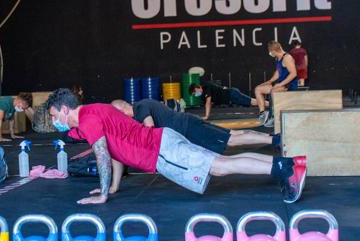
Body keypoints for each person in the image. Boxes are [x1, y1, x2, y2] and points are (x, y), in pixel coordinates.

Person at [46, 88, 306, 205]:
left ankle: (285, 168)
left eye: (54, 116)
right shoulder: (96, 110)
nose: (55, 121)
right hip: (164, 141)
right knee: (221, 163)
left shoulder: (88, 120)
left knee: (221, 167)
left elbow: (102, 156)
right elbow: (114, 153)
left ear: (64, 109)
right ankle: (288, 164)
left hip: (163, 151)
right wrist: (112, 187)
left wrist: (102, 194)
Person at [111, 99, 280, 154]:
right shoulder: (144, 102)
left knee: (231, 140)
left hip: (188, 127)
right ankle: (273, 138)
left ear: (122, 110)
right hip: (188, 123)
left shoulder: (139, 109)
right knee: (232, 134)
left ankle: (275, 140)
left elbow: (150, 129)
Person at [255, 41, 298, 124]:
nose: (269, 53)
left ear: (274, 51)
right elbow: (278, 72)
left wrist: (280, 84)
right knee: (258, 89)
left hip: (289, 85)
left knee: (273, 91)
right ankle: (262, 114)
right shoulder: (278, 58)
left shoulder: (287, 58)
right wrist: (269, 81)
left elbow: (293, 74)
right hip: (281, 84)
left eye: (270, 51)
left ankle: (273, 116)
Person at [189, 82, 257, 120]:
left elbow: (208, 103)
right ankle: (266, 104)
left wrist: (206, 116)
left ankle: (267, 104)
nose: (195, 94)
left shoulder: (207, 86)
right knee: (251, 102)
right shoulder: (202, 96)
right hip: (231, 99)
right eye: (194, 94)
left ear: (198, 87)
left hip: (232, 94)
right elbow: (209, 103)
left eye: (195, 92)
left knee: (251, 102)